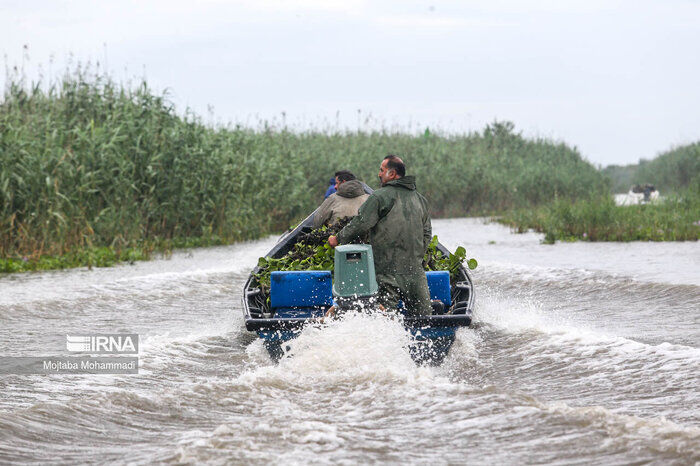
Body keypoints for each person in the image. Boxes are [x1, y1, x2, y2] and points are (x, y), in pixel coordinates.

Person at [328, 155, 433, 317]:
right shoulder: (421, 200)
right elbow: (427, 234)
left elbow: (361, 223)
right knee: (425, 318)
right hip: (415, 273)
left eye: (381, 170)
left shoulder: (379, 197)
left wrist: (338, 239)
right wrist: (416, 257)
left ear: (392, 174)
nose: (379, 174)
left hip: (387, 273)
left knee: (385, 320)